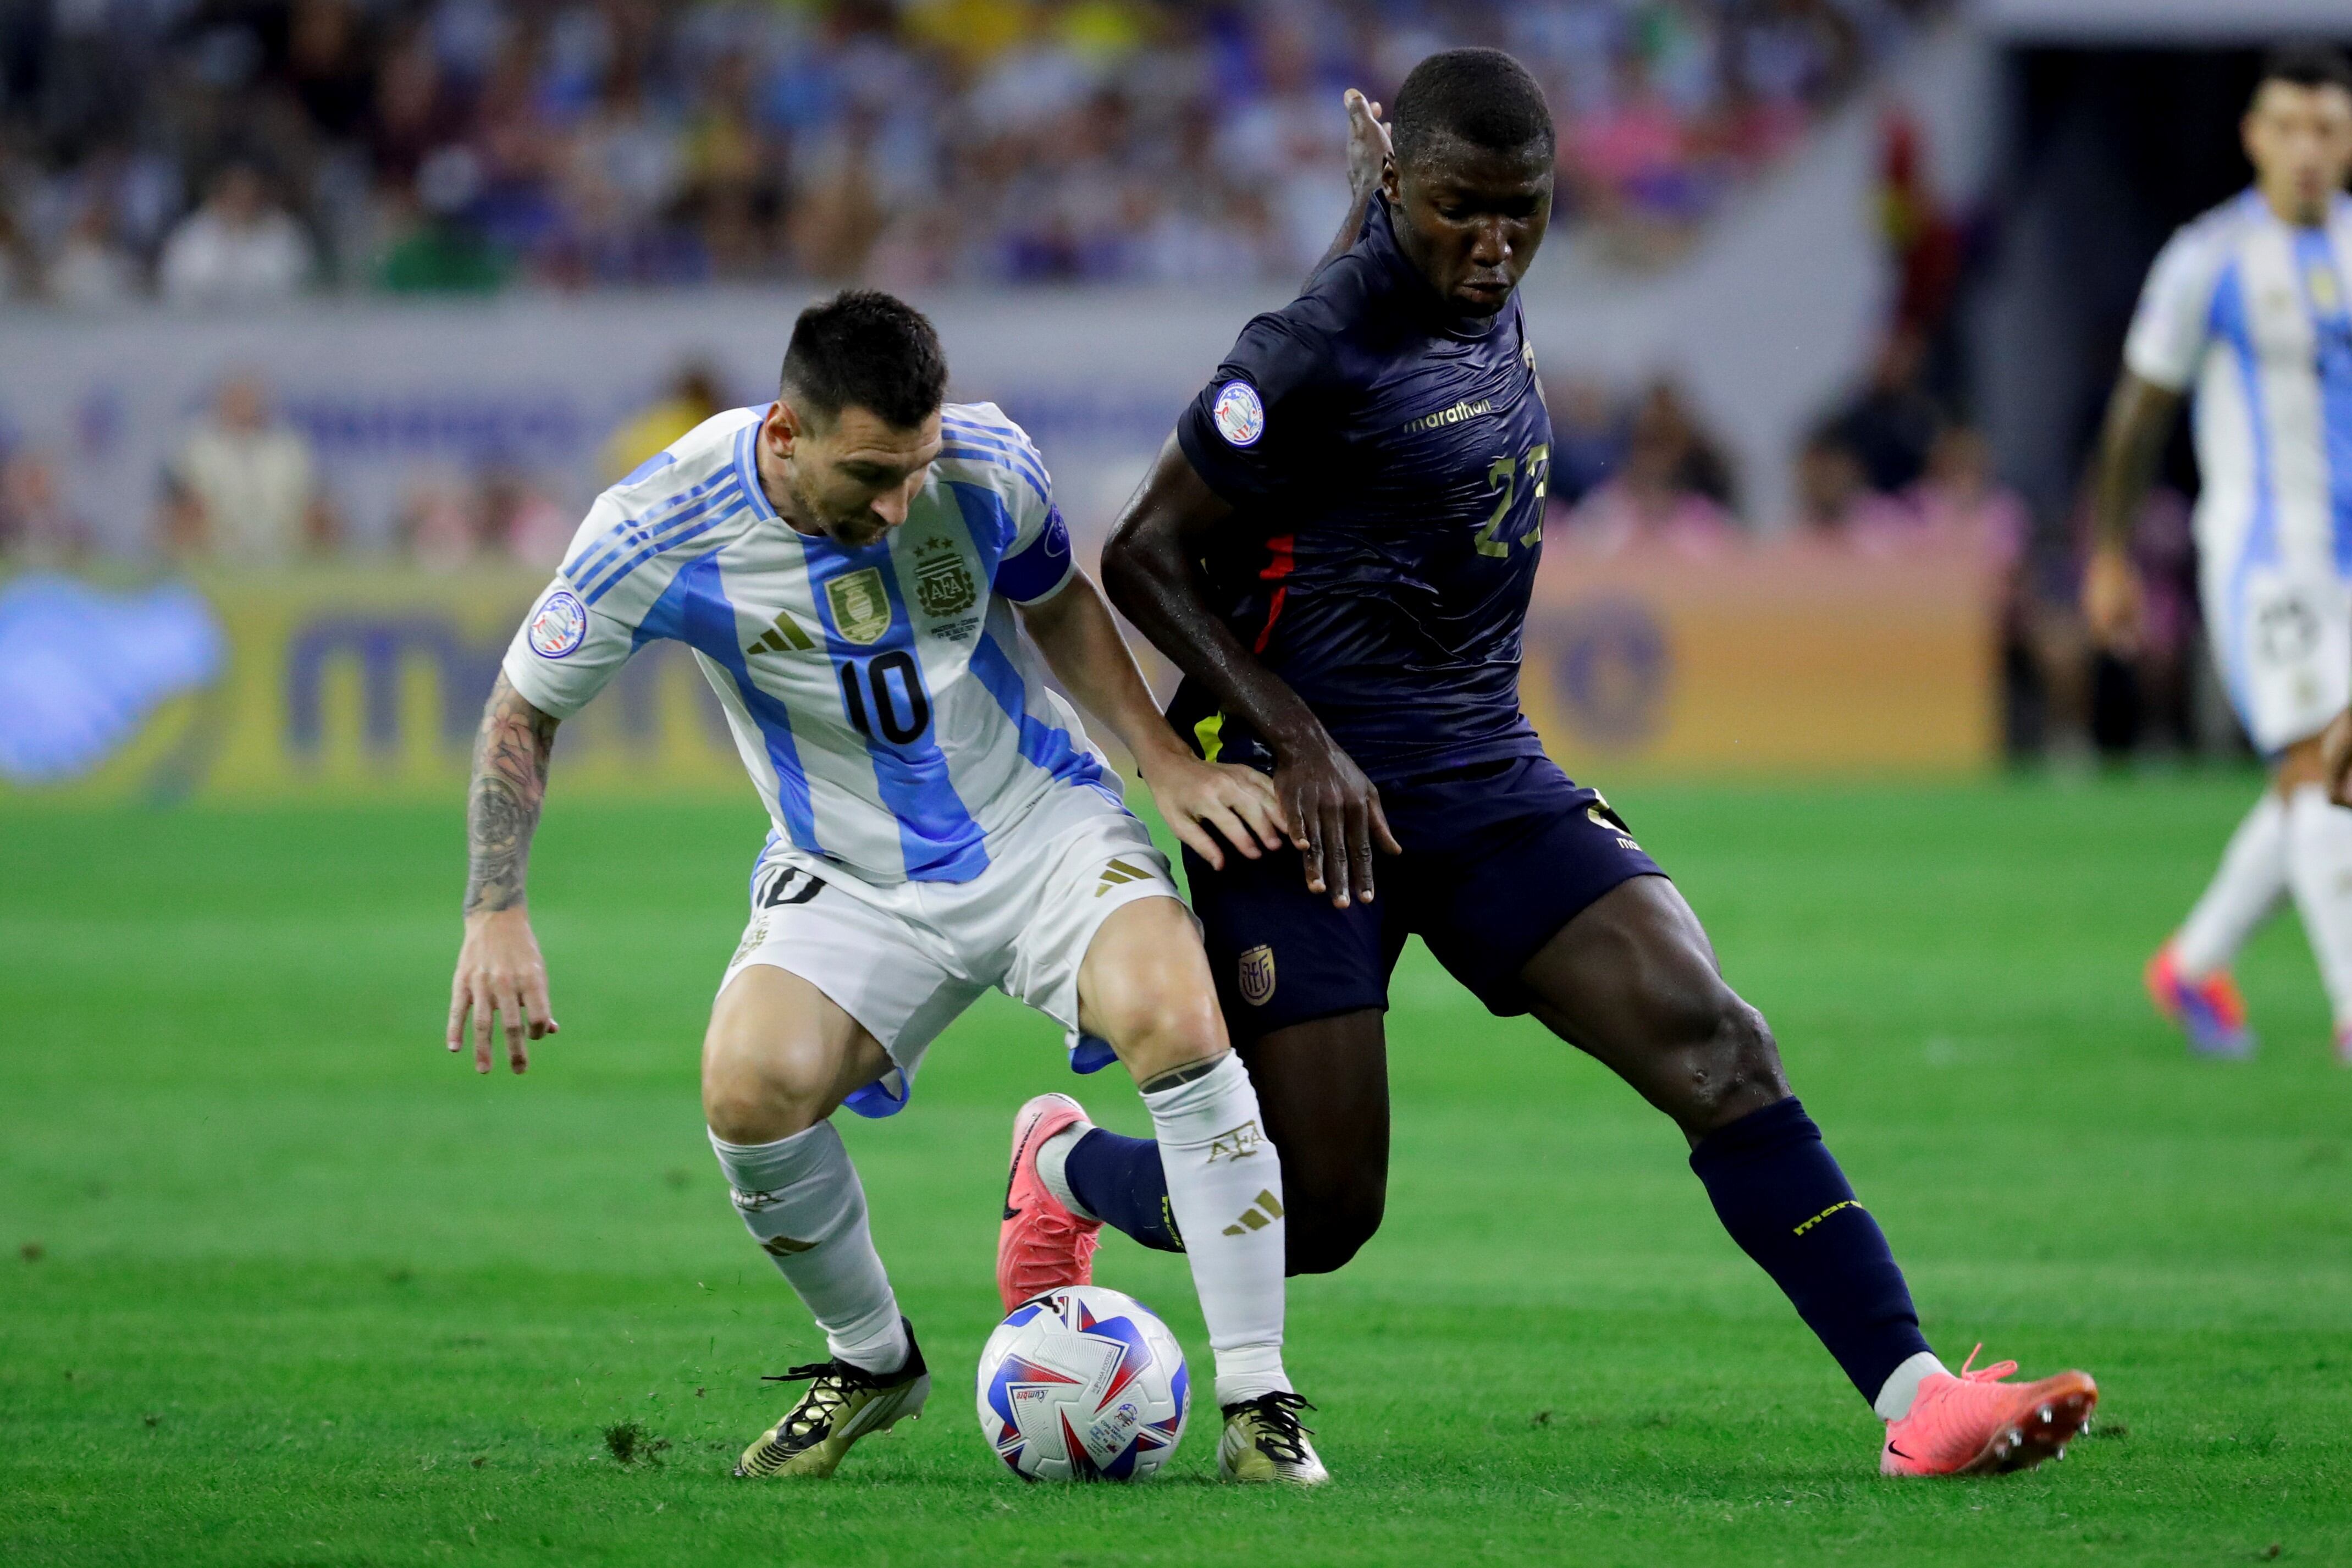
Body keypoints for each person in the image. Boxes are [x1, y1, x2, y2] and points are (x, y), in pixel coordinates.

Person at [994, 53, 2097, 1478]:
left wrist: (1374, 216)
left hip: (1480, 768)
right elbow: (1142, 558)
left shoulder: (1464, 287)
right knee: (1317, 1209)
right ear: (1401, 192)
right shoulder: (1309, 345)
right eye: (1458, 212)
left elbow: (1405, 281)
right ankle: (1066, 1166)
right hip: (1300, 799)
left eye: (1521, 212)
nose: (1493, 244)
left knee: (1713, 1039)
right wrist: (1301, 740)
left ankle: (1912, 1398)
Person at [444, 291, 1329, 1484]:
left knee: (1174, 1012)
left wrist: (1160, 763)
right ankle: (870, 1359)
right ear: (783, 436)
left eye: (913, 469)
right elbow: (524, 707)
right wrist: (495, 909)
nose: (900, 501)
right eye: (869, 473)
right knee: (748, 1087)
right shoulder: (657, 525)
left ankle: (1259, 1404)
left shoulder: (984, 461)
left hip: (1038, 820)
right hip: (847, 869)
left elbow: (1059, 598)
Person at [2086, 45, 2352, 1064]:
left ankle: (2193, 961)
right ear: (2251, 136)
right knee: (2312, 758)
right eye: (2284, 127)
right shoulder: (2207, 258)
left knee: (2318, 771)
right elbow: (2135, 416)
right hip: (2261, 559)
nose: (2304, 150)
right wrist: (2107, 554)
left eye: (2324, 129)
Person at [163, 376, 335, 563]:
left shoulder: (287, 448)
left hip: (285, 551)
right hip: (215, 553)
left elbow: (314, 505)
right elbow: (180, 510)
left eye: (250, 400)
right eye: (237, 400)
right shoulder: (198, 448)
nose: (244, 407)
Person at [158, 164, 314, 307]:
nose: (243, 204)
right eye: (235, 195)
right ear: (219, 197)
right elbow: (178, 283)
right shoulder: (191, 236)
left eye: (250, 196)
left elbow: (299, 282)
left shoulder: (284, 232)